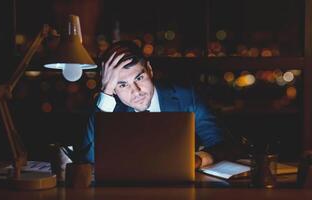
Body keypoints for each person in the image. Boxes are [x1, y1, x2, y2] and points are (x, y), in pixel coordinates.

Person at [80, 40, 227, 168]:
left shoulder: (186, 98)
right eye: (123, 85)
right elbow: (89, 160)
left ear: (149, 70)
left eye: (139, 78)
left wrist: (197, 160)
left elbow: (222, 145)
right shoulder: (111, 110)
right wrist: (105, 92)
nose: (136, 91)